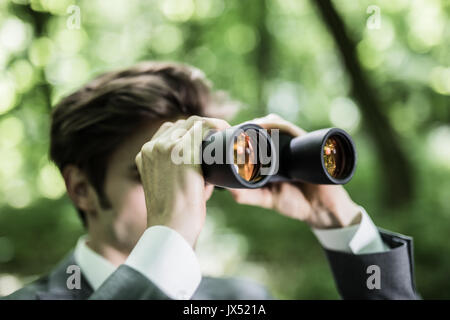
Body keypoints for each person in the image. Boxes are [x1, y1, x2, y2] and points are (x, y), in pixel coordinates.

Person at [3, 61, 418, 300]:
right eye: (153, 173)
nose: (188, 195)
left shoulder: (240, 300)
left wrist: (339, 222)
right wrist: (169, 233)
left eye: (195, 171)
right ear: (81, 189)